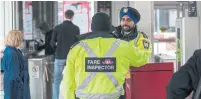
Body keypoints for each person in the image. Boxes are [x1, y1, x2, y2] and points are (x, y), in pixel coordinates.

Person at [61, 12, 149, 99]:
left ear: (92, 27)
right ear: (110, 27)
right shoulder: (123, 46)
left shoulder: (77, 48)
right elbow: (142, 58)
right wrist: (144, 41)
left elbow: (68, 82)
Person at [113, 7, 152, 99]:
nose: (125, 22)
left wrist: (122, 54)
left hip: (132, 81)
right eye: (123, 19)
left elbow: (142, 58)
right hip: (112, 80)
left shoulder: (142, 38)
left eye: (129, 20)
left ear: (134, 22)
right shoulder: (113, 35)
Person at [50, 9, 80, 99]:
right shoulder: (76, 28)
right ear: (72, 17)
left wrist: (57, 49)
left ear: (65, 16)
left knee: (57, 80)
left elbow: (52, 43)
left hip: (59, 57)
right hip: (72, 57)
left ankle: (55, 98)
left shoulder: (57, 28)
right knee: (73, 79)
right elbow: (77, 44)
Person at [1, 30, 30, 99]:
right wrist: (21, 87)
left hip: (17, 85)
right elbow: (14, 74)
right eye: (21, 38)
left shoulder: (14, 51)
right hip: (16, 88)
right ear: (16, 39)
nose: (22, 41)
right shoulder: (12, 53)